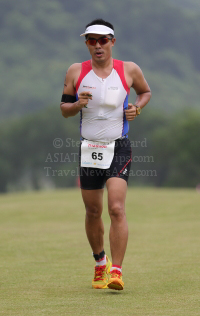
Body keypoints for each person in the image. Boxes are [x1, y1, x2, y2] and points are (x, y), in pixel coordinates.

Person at [60, 19, 151, 291]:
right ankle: (100, 261)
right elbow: (64, 108)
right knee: (92, 210)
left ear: (112, 41)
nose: (97, 46)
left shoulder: (129, 69)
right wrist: (78, 104)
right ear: (86, 43)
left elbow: (145, 92)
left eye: (103, 40)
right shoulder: (76, 72)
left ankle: (116, 271)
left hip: (118, 146)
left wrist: (137, 107)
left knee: (116, 208)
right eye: (91, 40)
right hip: (89, 148)